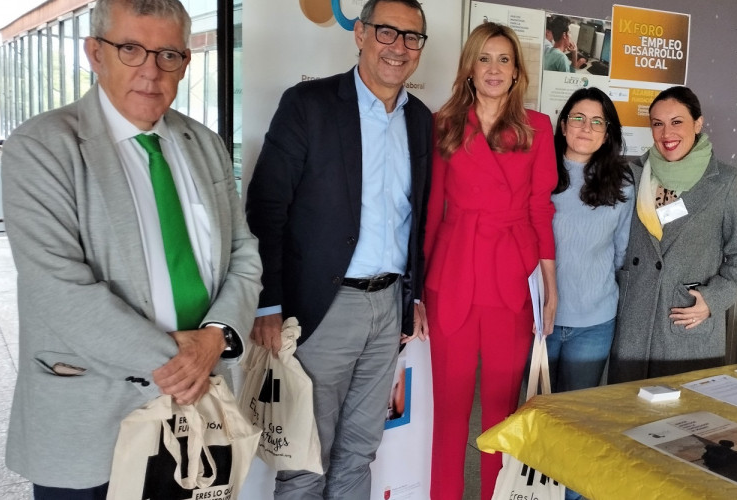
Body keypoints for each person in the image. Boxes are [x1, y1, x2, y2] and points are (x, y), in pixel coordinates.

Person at [0, 0, 263, 497]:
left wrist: (216, 338)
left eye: (168, 55)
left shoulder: (204, 142)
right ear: (95, 53)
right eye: (131, 49)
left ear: (185, 63)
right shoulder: (43, 147)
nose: (150, 70)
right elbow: (57, 291)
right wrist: (185, 359)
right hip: (93, 417)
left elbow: (244, 253)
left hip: (195, 415)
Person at [244, 0, 431, 497]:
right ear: (361, 34)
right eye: (388, 33)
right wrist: (268, 302)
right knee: (307, 456)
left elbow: (416, 219)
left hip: (389, 307)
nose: (399, 47)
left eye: (412, 37)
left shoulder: (421, 121)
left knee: (361, 448)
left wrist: (413, 298)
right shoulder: (309, 105)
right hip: (322, 308)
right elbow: (267, 208)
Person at [424, 22, 557, 500]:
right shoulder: (442, 124)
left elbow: (541, 208)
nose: (494, 69)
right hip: (452, 273)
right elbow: (432, 210)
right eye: (485, 58)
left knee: (501, 411)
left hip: (511, 275)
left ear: (517, 70)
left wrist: (550, 286)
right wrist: (416, 291)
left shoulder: (538, 127)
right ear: (470, 68)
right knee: (451, 410)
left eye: (504, 59)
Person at [609, 86, 737, 383]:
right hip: (635, 320)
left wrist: (712, 299)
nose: (667, 133)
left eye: (677, 121)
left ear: (698, 123)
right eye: (657, 123)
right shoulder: (634, 174)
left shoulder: (726, 182)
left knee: (687, 418)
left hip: (686, 319)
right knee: (626, 415)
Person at [547, 88, 633, 400]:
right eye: (579, 118)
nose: (587, 127)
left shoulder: (622, 183)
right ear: (563, 125)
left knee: (576, 413)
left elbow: (622, 252)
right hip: (538, 319)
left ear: (607, 133)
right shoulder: (539, 174)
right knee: (538, 411)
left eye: (598, 122)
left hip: (594, 322)